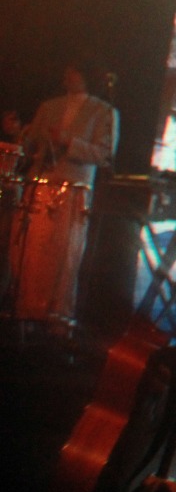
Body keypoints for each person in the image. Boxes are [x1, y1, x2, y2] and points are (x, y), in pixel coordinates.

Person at [12, 65, 118, 325]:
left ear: (86, 75)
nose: (68, 76)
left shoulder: (104, 111)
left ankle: (56, 319)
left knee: (63, 254)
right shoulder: (49, 106)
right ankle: (26, 312)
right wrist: (21, 135)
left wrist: (69, 141)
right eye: (67, 72)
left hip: (74, 190)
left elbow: (104, 154)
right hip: (42, 184)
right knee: (33, 251)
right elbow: (31, 144)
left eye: (74, 72)